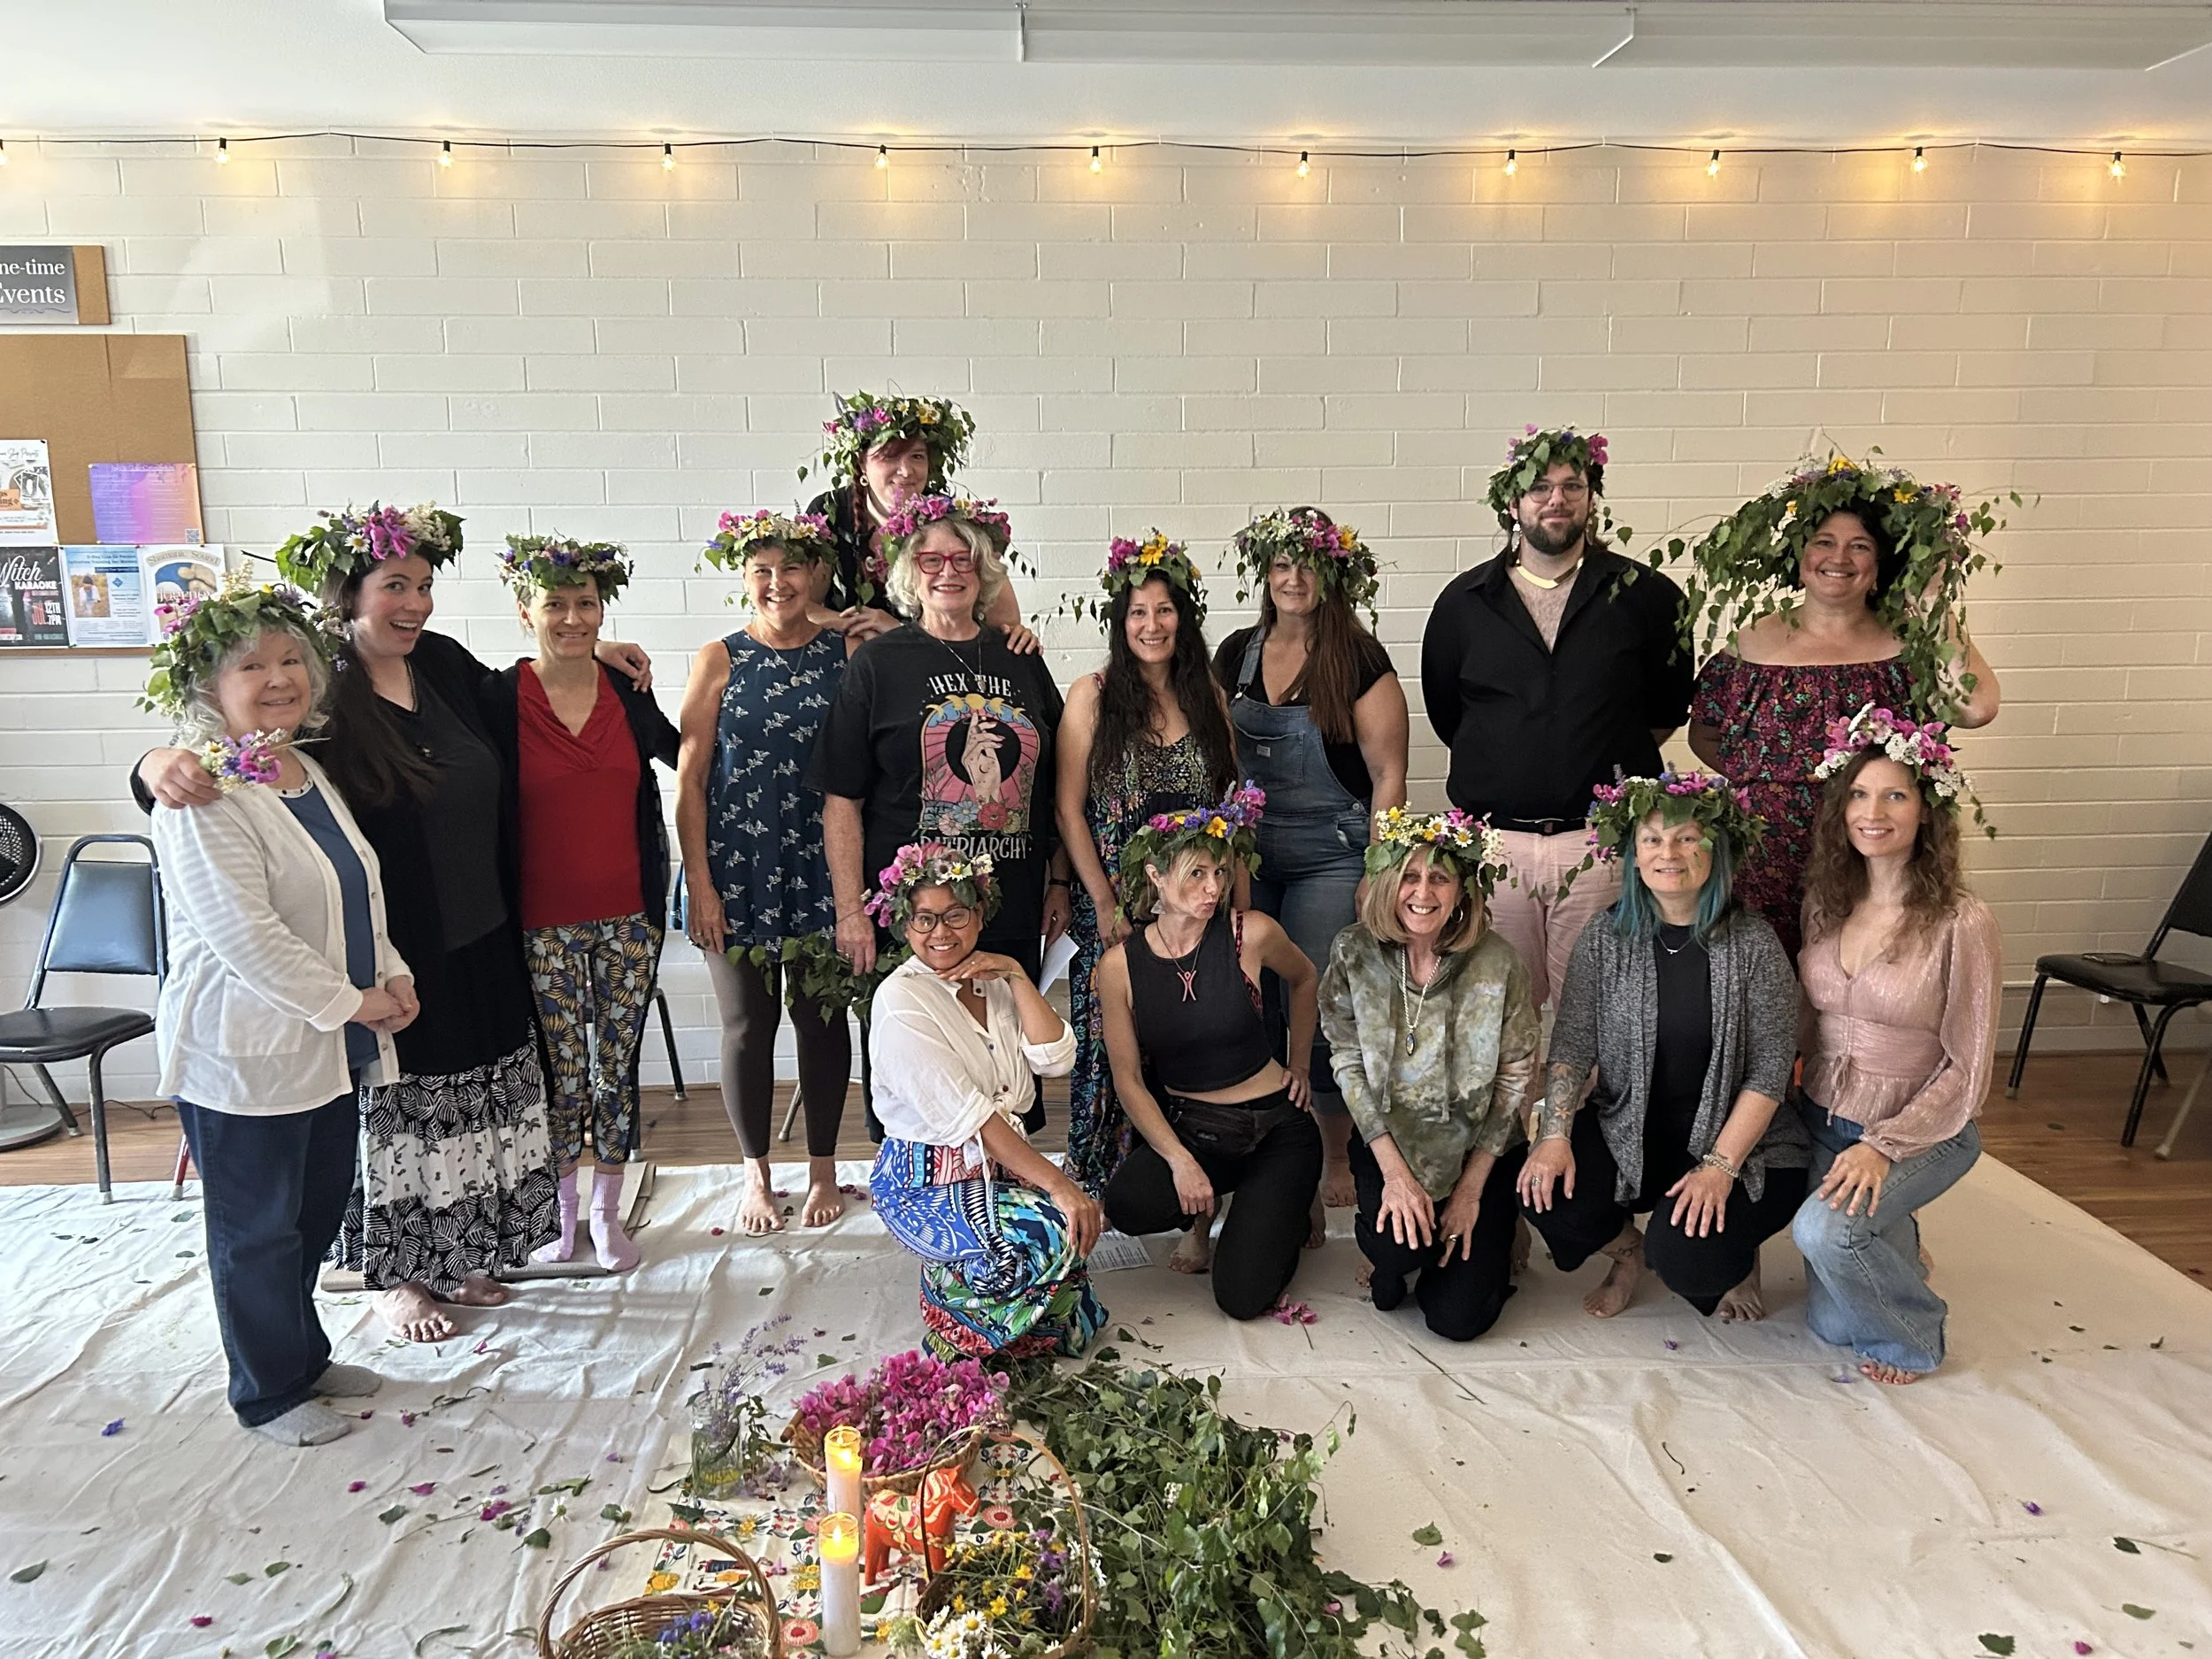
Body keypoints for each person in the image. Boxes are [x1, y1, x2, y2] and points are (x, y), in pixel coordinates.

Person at [137, 504, 648, 1340]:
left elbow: (526, 690)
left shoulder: (441, 663)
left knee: (482, 1093)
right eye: (394, 586)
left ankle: (467, 1250)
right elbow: (217, 761)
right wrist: (153, 762)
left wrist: (598, 654)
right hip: (392, 944)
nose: (414, 603)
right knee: (403, 1110)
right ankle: (400, 1274)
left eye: (423, 585)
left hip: (483, 922)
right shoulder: (317, 689)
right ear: (347, 596)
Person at [143, 580, 416, 1444]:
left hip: (328, 1044)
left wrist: (393, 973)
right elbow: (245, 937)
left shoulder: (303, 769)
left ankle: (301, 1354)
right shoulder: (204, 794)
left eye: (292, 658)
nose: (278, 677)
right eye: (251, 665)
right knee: (256, 1228)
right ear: (209, 688)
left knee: (312, 1208)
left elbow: (354, 894)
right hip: (246, 1047)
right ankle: (266, 1391)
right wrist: (355, 1002)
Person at [808, 495, 1072, 1134]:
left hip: (1007, 903)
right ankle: (919, 1197)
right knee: (915, 1069)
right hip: (911, 912)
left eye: (963, 558)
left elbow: (1058, 776)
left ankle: (1002, 1192)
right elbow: (841, 798)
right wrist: (850, 911)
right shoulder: (876, 664)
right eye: (931, 559)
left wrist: (1058, 878)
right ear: (909, 570)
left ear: (984, 571)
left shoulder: (1020, 657)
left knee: (1005, 1058)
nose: (947, 571)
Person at [1421, 427, 1694, 1014]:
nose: (1557, 498)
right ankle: (1516, 1113)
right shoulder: (1463, 603)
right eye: (1540, 486)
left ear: (1593, 498)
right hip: (1495, 846)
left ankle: (1585, 1111)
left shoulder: (1646, 596)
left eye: (1573, 485)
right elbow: (1450, 715)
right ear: (1511, 502)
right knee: (1496, 1016)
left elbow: (1666, 710)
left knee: (1603, 1014)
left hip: (1599, 846)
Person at [1517, 773, 1808, 1324]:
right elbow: (1572, 1047)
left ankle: (1739, 1258)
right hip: (1630, 1127)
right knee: (1543, 1188)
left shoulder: (1754, 944)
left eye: (1687, 838)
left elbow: (1770, 1072)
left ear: (1715, 850)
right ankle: (1629, 1255)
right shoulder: (1605, 938)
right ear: (1632, 855)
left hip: (1739, 1143)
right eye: (1651, 839)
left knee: (1690, 1261)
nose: (1667, 853)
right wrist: (1553, 1136)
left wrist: (1720, 1168)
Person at [1686, 456, 2002, 957]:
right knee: (1771, 993)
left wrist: (1933, 602)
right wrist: (1769, 787)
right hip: (1764, 859)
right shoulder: (1747, 645)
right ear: (1801, 558)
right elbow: (1703, 735)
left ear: (1879, 566)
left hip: (1872, 855)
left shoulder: (1909, 646)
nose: (1840, 558)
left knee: (1862, 984)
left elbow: (1977, 708)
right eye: (1824, 543)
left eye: (1860, 546)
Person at [481, 534, 678, 1272]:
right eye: (554, 604)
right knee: (558, 1071)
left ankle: (607, 1209)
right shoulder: (498, 697)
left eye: (586, 604)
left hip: (629, 918)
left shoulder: (627, 692)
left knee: (614, 1066)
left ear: (604, 610)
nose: (572, 617)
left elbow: (689, 757)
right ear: (523, 609)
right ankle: (561, 1212)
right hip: (539, 925)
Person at [1792, 704, 2001, 1384]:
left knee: (1823, 1233)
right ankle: (1896, 1241)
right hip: (1825, 1116)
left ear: (1925, 810)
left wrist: (1883, 1147)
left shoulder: (1960, 921)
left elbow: (1968, 1068)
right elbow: (1805, 1017)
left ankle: (1915, 1336)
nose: (1871, 811)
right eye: (1857, 794)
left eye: (1894, 794)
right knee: (1828, 1324)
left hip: (1919, 1127)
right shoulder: (1825, 902)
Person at [1215, 506, 1407, 1213]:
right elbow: (1210, 752)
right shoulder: (1235, 651)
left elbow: (1388, 774)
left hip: (1332, 851)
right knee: (1248, 994)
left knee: (1322, 1003)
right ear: (1265, 573)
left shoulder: (1358, 658)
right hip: (1249, 851)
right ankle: (1264, 1140)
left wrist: (1379, 870)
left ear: (1334, 573)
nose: (1294, 577)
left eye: (1309, 564)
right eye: (1282, 564)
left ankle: (1332, 1150)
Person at [677, 511, 856, 1234]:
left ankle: (822, 1168)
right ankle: (755, 1174)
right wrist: (700, 882)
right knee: (747, 1024)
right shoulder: (720, 658)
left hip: (821, 867)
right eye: (761, 570)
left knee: (821, 1020)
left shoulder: (846, 652)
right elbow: (689, 781)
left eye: (790, 568)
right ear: (744, 578)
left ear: (815, 572)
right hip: (737, 867)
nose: (777, 583)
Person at [863, 844, 1107, 1360]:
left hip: (996, 1165)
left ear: (978, 914)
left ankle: (1013, 1325)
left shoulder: (994, 981)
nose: (940, 933)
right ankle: (950, 1320)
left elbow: (1055, 1059)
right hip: (925, 1179)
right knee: (1055, 1225)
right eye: (924, 919)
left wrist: (1018, 976)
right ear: (905, 927)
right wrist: (1060, 1185)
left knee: (1079, 1249)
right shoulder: (899, 1000)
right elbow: (974, 1120)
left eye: (955, 914)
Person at [1056, 532, 1238, 1195]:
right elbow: (1069, 809)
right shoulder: (1093, 696)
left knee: (1187, 1041)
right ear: (1120, 621)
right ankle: (1099, 1180)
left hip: (1193, 909)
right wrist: (1103, 902)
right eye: (1138, 612)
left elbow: (1230, 810)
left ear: (1183, 619)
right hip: (1116, 911)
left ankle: (1184, 1177)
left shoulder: (1208, 699)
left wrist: (1235, 903)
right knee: (1109, 1050)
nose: (1152, 624)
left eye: (1165, 610)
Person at [1097, 788, 1325, 1320]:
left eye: (1221, 873)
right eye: (1196, 873)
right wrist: (1179, 1162)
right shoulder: (1119, 967)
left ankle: (1282, 1199)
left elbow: (1305, 978)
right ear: (1154, 875)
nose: (1213, 887)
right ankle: (1220, 1207)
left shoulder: (1252, 933)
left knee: (1241, 1298)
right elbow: (1128, 1079)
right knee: (1129, 1203)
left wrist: (1300, 1066)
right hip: (1199, 1131)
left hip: (1276, 1129)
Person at [1317, 810, 1538, 1341]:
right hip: (1391, 1144)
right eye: (1409, 878)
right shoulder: (1354, 951)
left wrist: (1469, 1192)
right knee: (1395, 1262)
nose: (1423, 892)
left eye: (1439, 877)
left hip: (1477, 1153)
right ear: (1390, 884)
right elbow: (1346, 1062)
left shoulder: (1498, 961)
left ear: (1463, 889)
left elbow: (1513, 1080)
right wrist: (1394, 1174)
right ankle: (1398, 1256)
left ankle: (1496, 1229)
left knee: (1456, 1320)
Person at [798, 390, 1033, 649]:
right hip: (847, 652)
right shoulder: (831, 511)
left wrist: (899, 632)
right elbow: (801, 605)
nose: (906, 471)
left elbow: (1005, 619)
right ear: (861, 464)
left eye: (917, 457)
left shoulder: (949, 518)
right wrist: (862, 627)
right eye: (889, 456)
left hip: (929, 656)